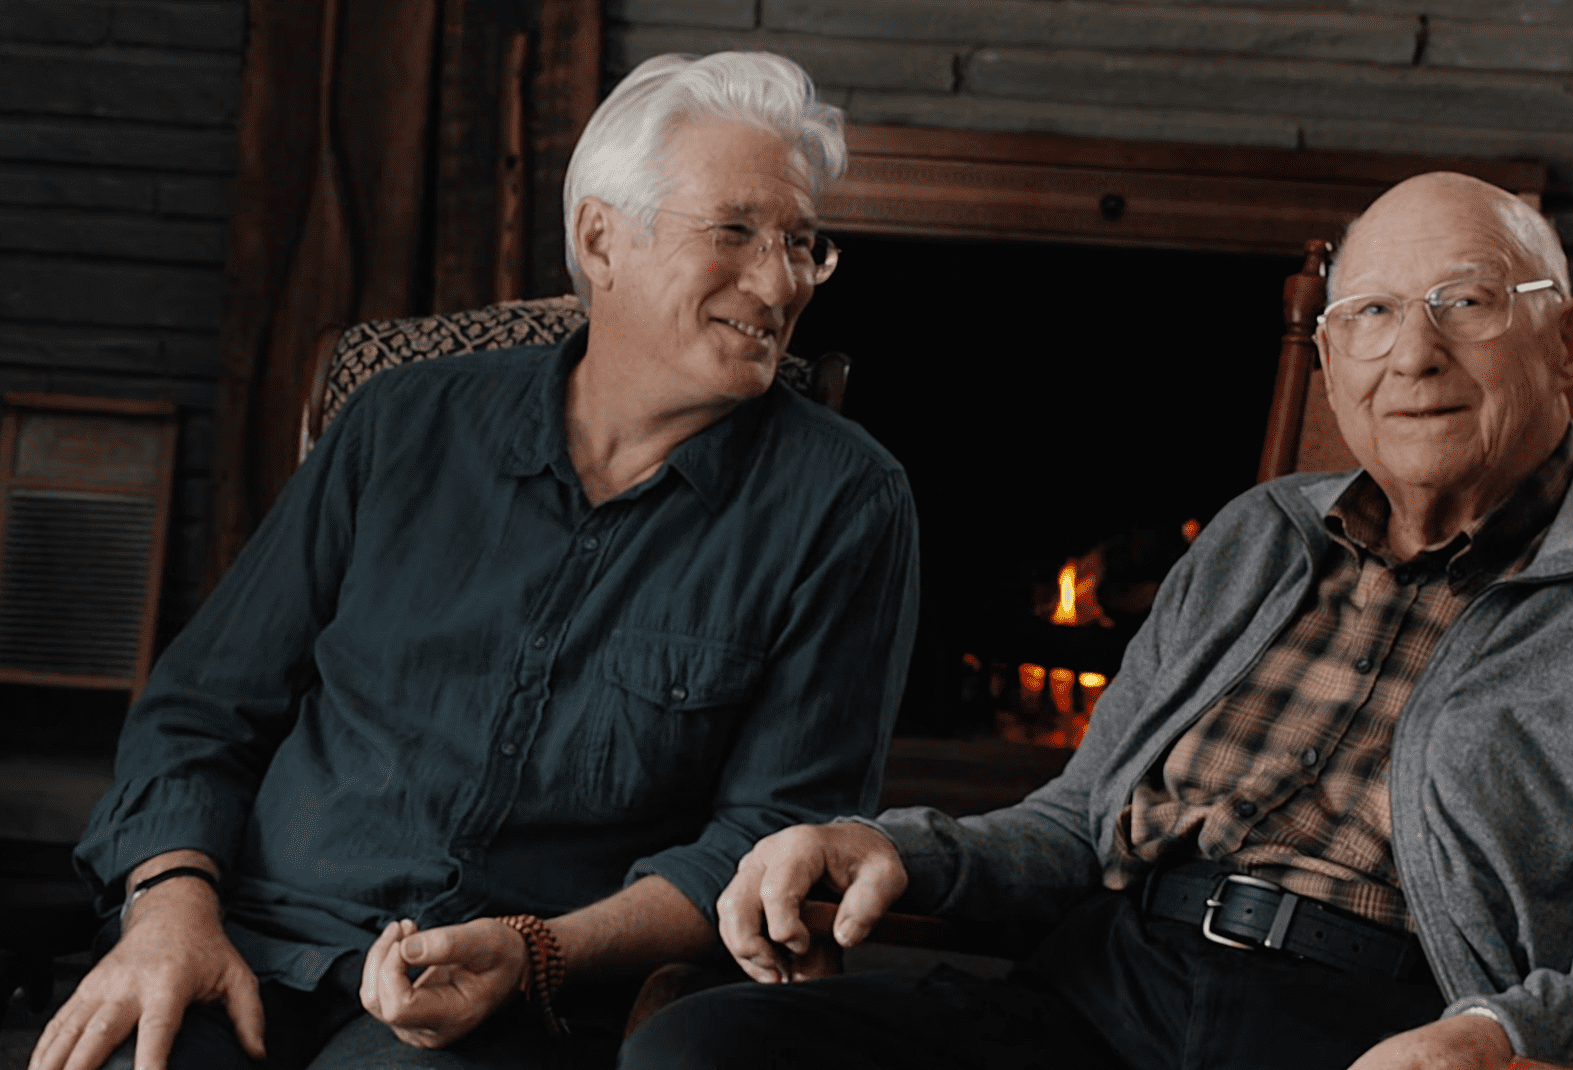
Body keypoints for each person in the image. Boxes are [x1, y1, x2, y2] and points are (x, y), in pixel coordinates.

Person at [627, 172, 1573, 1070]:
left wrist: (1493, 1036)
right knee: (698, 1049)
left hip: (1387, 1027)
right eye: (1372, 313)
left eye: (1467, 303)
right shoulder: (1256, 534)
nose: (1414, 352)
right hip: (1109, 986)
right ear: (1332, 362)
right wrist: (889, 846)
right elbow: (1080, 825)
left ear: (1569, 340)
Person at [31, 51, 918, 1070]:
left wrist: (538, 949)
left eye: (803, 245)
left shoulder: (846, 503)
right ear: (600, 237)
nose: (779, 282)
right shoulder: (399, 425)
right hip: (249, 938)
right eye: (735, 232)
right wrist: (168, 913)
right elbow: (201, 707)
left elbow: (770, 840)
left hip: (518, 1001)